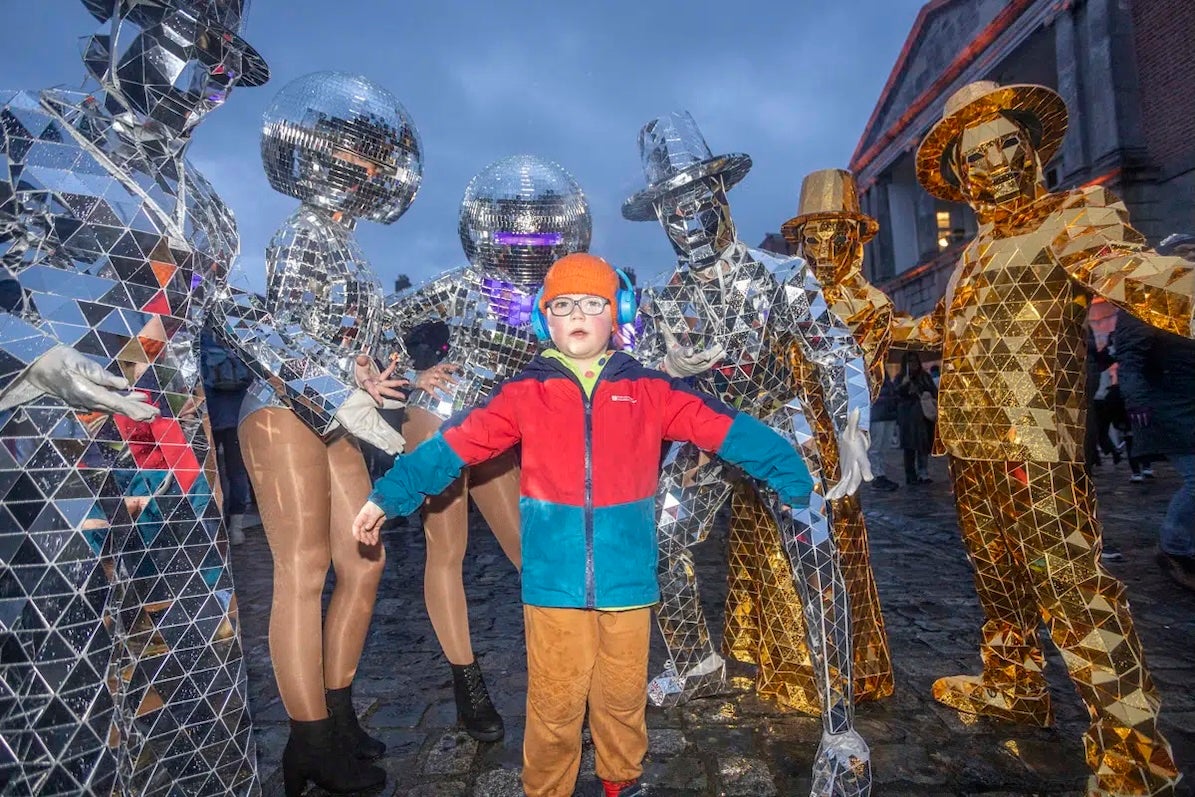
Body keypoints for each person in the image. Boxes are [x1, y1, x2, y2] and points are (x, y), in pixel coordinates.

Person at [353, 253, 868, 797]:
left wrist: (790, 473)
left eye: (593, 304)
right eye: (565, 305)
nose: (579, 314)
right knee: (554, 704)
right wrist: (388, 497)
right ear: (544, 319)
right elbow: (452, 448)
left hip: (627, 582)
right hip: (553, 587)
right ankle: (546, 788)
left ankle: (620, 782)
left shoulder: (650, 391)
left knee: (622, 697)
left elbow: (726, 429)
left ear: (616, 314)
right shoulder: (523, 395)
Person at [0, 1, 268, 791]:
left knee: (196, 661)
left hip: (174, 458)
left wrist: (329, 383)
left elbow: (234, 318)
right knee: (59, 672)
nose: (204, 79)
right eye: (188, 47)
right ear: (127, 30)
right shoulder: (27, 125)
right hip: (45, 450)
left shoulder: (209, 209)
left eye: (222, 67)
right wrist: (27, 347)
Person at [898, 79, 1193, 794]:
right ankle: (1014, 687)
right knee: (998, 585)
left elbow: (1137, 274)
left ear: (1032, 152)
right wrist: (859, 310)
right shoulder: (968, 257)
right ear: (963, 177)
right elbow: (931, 334)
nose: (995, 162)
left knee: (1072, 589)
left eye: (1007, 145)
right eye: (979, 156)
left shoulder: (1073, 216)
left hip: (1038, 449)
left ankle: (1132, 752)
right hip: (968, 449)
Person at [620, 113, 875, 730]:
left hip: (777, 430)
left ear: (722, 199)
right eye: (674, 214)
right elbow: (636, 375)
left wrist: (851, 424)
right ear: (661, 221)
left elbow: (834, 347)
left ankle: (839, 725)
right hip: (703, 431)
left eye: (701, 206)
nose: (691, 224)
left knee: (815, 554)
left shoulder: (781, 275)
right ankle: (697, 664)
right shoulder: (659, 295)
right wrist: (665, 366)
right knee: (659, 539)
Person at [231, 72, 422, 796]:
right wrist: (348, 379)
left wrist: (372, 378)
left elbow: (346, 346)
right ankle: (307, 741)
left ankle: (336, 715)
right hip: (283, 409)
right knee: (304, 569)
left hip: (335, 416)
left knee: (364, 564)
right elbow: (287, 338)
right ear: (323, 161)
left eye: (372, 161)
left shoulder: (350, 249)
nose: (364, 171)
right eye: (352, 158)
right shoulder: (301, 232)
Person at [385, 155, 592, 741]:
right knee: (444, 549)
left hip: (500, 431)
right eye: (512, 230)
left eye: (540, 231)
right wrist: (411, 375)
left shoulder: (556, 298)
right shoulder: (463, 283)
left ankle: (562, 680)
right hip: (443, 419)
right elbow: (384, 321)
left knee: (532, 557)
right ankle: (466, 682)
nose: (525, 242)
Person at [1114, 233, 1195, 591]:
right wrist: (1137, 400)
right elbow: (1130, 358)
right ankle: (1174, 549)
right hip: (1167, 406)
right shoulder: (1145, 300)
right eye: (1185, 254)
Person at [200, 330, 255, 543]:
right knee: (237, 470)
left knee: (213, 472)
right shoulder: (238, 340)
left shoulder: (199, 342)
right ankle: (237, 528)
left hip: (210, 416)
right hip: (237, 415)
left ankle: (216, 527)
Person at [896, 351, 935, 484]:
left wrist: (922, 390)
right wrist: (904, 387)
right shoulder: (901, 377)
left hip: (923, 415)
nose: (913, 364)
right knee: (909, 447)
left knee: (923, 445)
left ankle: (923, 472)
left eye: (915, 361)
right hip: (908, 416)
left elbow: (934, 392)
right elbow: (896, 395)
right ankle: (910, 474)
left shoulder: (924, 376)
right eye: (910, 362)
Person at [868, 370, 902, 491]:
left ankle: (881, 474)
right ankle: (877, 476)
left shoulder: (886, 376)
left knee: (884, 447)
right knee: (876, 447)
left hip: (888, 414)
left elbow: (893, 394)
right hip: (877, 415)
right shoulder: (869, 373)